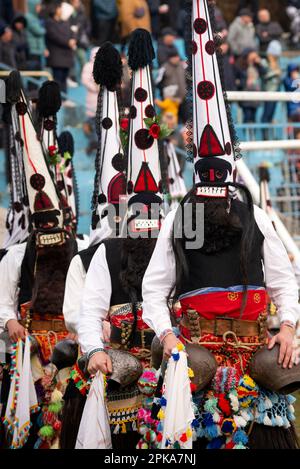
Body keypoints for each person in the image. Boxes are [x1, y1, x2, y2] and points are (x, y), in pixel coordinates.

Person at [142, 0, 300, 450]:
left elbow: (286, 284)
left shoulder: (255, 216)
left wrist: (287, 326)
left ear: (229, 173)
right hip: (197, 362)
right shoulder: (181, 215)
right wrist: (168, 337)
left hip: (256, 362)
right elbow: (154, 291)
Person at [77, 29, 165, 450]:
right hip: (121, 388)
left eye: (154, 215)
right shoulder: (107, 254)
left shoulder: (175, 247)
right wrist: (95, 349)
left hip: (173, 387)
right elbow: (90, 311)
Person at [60, 42, 126, 449]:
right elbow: (74, 312)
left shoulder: (150, 251)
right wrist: (98, 335)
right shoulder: (85, 259)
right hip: (98, 356)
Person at [45, 1, 76, 95]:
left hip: (67, 56)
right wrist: (68, 42)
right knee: (57, 80)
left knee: (64, 79)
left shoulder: (66, 22)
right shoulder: (49, 23)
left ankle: (65, 98)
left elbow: (73, 33)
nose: (61, 10)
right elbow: (54, 36)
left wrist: (73, 39)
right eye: (59, 8)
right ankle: (57, 99)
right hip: (56, 56)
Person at [81, 47, 99, 155]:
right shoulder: (88, 66)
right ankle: (93, 144)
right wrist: (95, 87)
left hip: (103, 97)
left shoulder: (105, 66)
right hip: (92, 98)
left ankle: (97, 144)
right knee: (92, 122)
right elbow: (85, 80)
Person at [261, 40, 282, 131]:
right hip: (268, 91)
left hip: (276, 91)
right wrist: (275, 73)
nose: (276, 57)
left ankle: (269, 138)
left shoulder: (277, 64)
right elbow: (264, 76)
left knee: (271, 115)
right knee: (266, 114)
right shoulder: (264, 62)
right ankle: (264, 136)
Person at [25, 0, 48, 71]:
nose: (40, 8)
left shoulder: (36, 18)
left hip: (39, 50)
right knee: (34, 72)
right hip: (32, 50)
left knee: (40, 71)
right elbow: (38, 31)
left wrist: (44, 48)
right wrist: (44, 29)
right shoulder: (28, 17)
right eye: (38, 6)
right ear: (33, 6)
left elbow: (41, 37)